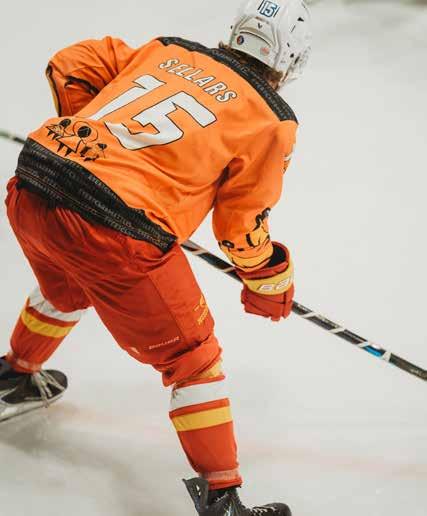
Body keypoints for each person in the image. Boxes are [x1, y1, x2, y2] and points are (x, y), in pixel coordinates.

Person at [0, 0, 312, 514]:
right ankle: (222, 497)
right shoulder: (271, 119)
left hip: (33, 184)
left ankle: (14, 374)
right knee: (194, 359)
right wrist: (268, 276)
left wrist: (97, 146)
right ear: (292, 60)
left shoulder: (169, 50)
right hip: (115, 234)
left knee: (70, 283)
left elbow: (72, 62)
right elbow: (239, 231)